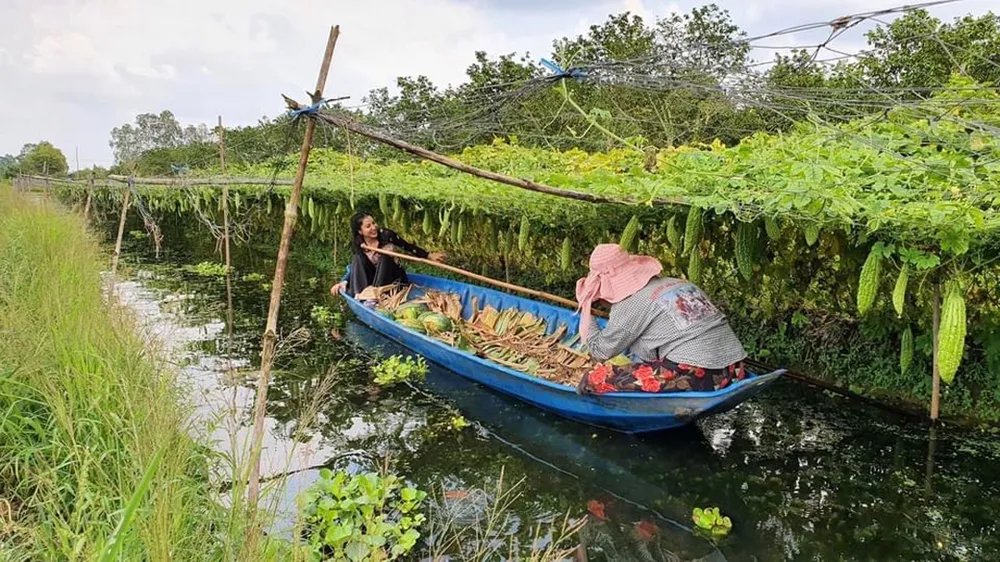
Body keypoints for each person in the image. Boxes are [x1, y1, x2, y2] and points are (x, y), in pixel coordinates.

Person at [574, 244, 748, 394]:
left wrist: (585, 310)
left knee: (596, 378)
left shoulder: (629, 304)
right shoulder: (681, 283)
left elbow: (599, 352)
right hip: (735, 369)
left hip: (701, 375)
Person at [329, 211, 445, 297]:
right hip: (372, 280)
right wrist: (344, 281)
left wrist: (428, 255)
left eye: (374, 223)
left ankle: (374, 295)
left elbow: (408, 246)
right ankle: (359, 294)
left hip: (392, 280)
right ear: (360, 231)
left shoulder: (386, 235)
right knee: (357, 258)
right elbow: (356, 267)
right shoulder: (359, 244)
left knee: (385, 256)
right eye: (368, 226)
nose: (374, 228)